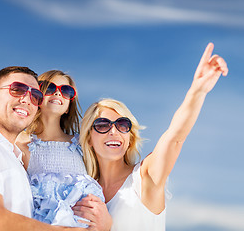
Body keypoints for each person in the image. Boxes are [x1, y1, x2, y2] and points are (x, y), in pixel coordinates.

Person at [73, 43, 228, 230]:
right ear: (89, 138)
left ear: (129, 137)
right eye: (103, 125)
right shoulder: (81, 191)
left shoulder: (144, 178)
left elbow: (174, 138)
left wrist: (197, 91)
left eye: (123, 125)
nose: (113, 131)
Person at [0, 66, 110, 231]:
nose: (26, 99)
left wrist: (107, 223)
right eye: (17, 90)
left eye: (35, 95)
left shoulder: (12, 156)